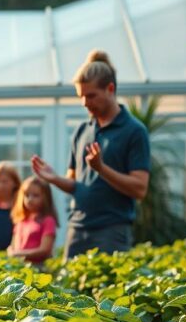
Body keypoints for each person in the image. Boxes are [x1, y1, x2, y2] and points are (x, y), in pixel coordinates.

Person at [31, 50, 150, 259]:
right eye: (81, 97)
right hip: (77, 229)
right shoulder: (81, 131)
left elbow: (139, 188)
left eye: (91, 96)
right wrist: (53, 178)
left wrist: (101, 169)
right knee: (68, 290)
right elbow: (74, 183)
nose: (85, 103)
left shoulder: (134, 131)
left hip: (111, 231)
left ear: (110, 89)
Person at [8, 176, 58, 265]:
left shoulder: (48, 221)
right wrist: (11, 251)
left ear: (46, 198)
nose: (30, 199)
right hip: (19, 267)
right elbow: (13, 246)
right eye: (27, 195)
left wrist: (17, 254)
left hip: (39, 269)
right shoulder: (20, 221)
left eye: (36, 195)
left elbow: (45, 250)